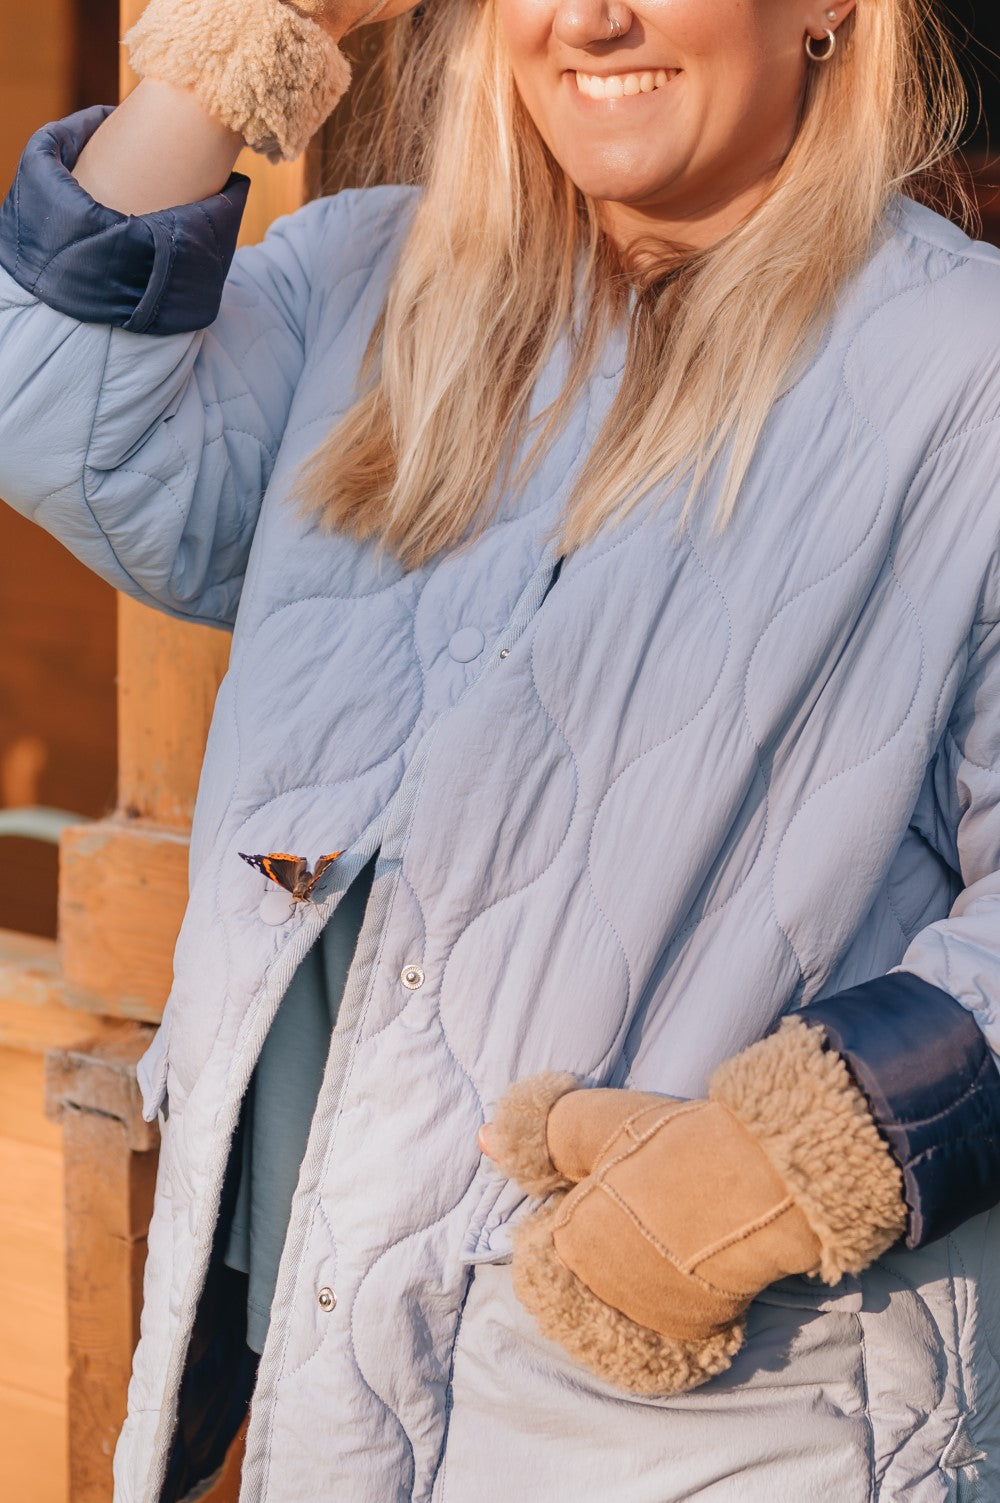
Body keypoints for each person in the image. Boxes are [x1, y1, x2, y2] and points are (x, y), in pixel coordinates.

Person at [0, 0, 999, 1496]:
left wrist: (785, 1167)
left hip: (713, 1413)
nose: (590, 19)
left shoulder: (967, 368)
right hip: (327, 1346)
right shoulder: (372, 276)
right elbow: (55, 415)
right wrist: (247, 36)